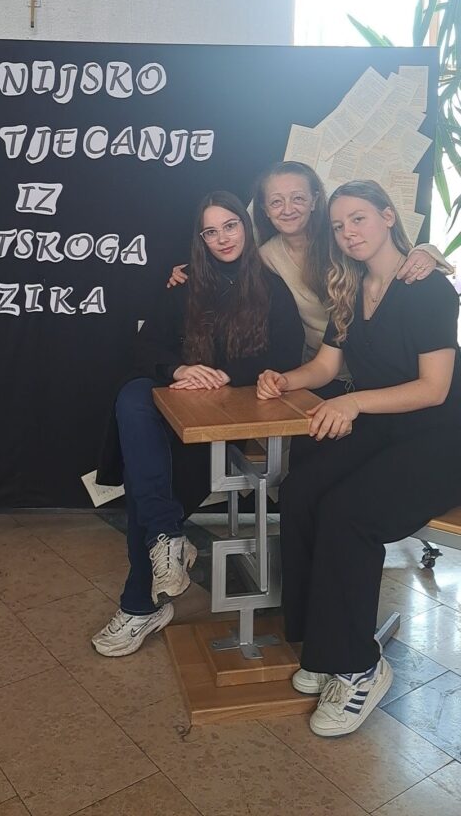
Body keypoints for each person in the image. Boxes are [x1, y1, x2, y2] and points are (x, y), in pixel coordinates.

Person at [256, 179, 461, 737]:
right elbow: (326, 367)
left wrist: (351, 402)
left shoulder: (427, 286)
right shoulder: (348, 288)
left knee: (349, 514)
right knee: (300, 491)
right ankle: (323, 647)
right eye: (339, 225)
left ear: (388, 217)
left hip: (440, 438)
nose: (348, 233)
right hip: (385, 428)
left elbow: (434, 389)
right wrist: (283, 380)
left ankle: (358, 667)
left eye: (359, 219)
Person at [92, 190, 304, 658]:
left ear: (246, 227)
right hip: (177, 410)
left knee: (146, 481)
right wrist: (180, 369)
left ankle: (143, 595)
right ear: (200, 238)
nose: (222, 238)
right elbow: (146, 347)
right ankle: (168, 540)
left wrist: (227, 374)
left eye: (230, 226)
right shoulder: (184, 283)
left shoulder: (271, 287)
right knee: (133, 395)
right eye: (211, 231)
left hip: (229, 420)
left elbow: (287, 355)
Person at [169, 160, 448, 384]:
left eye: (298, 198)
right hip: (317, 370)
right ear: (264, 210)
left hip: (379, 369)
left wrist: (427, 251)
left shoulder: (344, 238)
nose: (288, 209)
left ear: (315, 201)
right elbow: (226, 266)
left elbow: (392, 255)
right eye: (276, 202)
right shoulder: (266, 257)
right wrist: (187, 273)